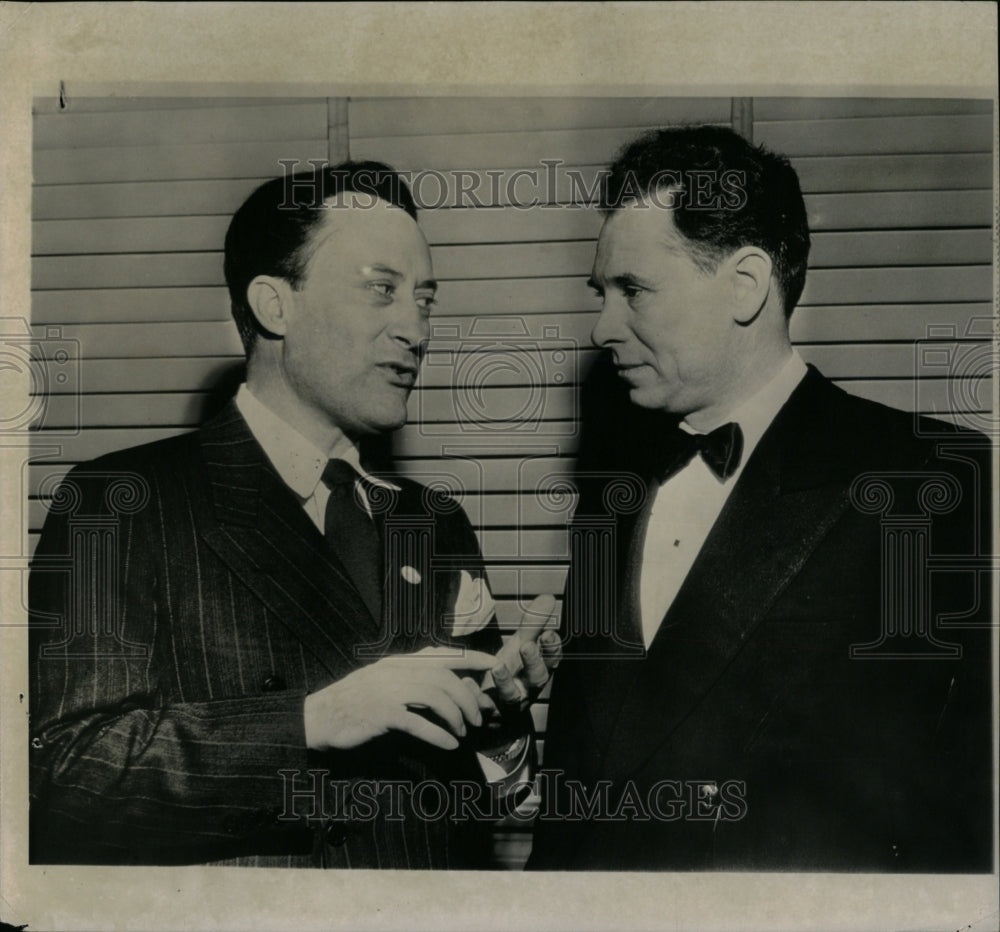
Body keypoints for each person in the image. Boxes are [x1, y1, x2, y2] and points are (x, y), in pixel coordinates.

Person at [29, 161, 560, 868]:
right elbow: (64, 779)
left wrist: (500, 722)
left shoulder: (435, 524)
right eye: (381, 291)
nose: (416, 328)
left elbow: (492, 803)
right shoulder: (124, 502)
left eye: (425, 300)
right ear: (275, 306)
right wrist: (313, 721)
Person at [528, 126, 993, 872]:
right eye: (601, 293)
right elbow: (577, 795)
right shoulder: (613, 502)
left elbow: (965, 815)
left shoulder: (937, 482)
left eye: (634, 292)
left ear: (745, 285)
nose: (602, 328)